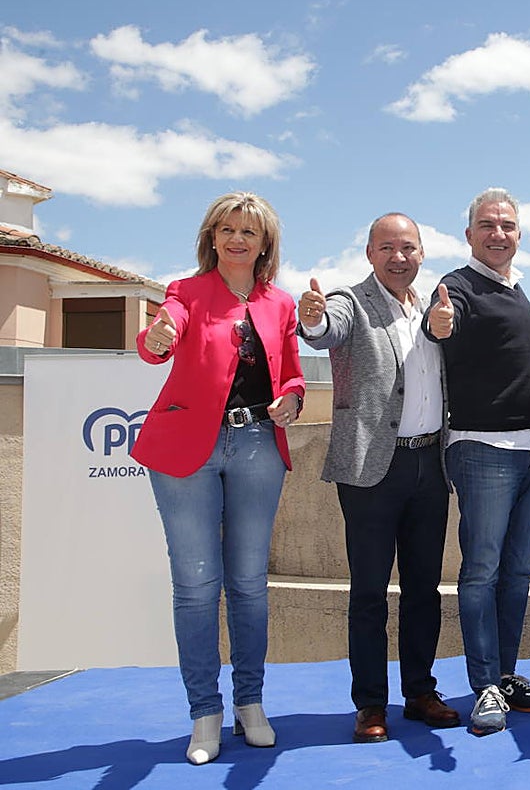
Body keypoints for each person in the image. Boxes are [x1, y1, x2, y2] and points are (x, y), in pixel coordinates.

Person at [132, 192, 305, 764]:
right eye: (227, 229)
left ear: (265, 244)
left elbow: (294, 377)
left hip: (258, 445)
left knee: (251, 585)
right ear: (211, 237)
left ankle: (250, 704)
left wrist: (291, 399)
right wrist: (155, 338)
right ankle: (204, 713)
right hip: (188, 449)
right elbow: (162, 334)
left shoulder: (280, 304)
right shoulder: (185, 292)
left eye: (249, 232)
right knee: (197, 585)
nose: (237, 239)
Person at [298, 213, 459, 744]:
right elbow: (326, 330)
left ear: (421, 253)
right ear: (369, 253)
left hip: (430, 465)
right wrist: (314, 320)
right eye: (387, 247)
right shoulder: (351, 302)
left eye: (408, 247)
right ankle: (370, 704)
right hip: (371, 468)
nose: (399, 257)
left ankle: (419, 691)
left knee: (423, 590)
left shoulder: (435, 308)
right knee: (368, 592)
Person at [423, 188, 530, 736]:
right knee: (480, 572)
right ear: (469, 234)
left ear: (519, 233)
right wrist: (441, 324)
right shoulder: (456, 287)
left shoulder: (518, 288)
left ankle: (504, 674)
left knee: (518, 571)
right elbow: (441, 328)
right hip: (482, 449)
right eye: (487, 225)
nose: (497, 233)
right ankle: (483, 688)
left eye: (506, 225)